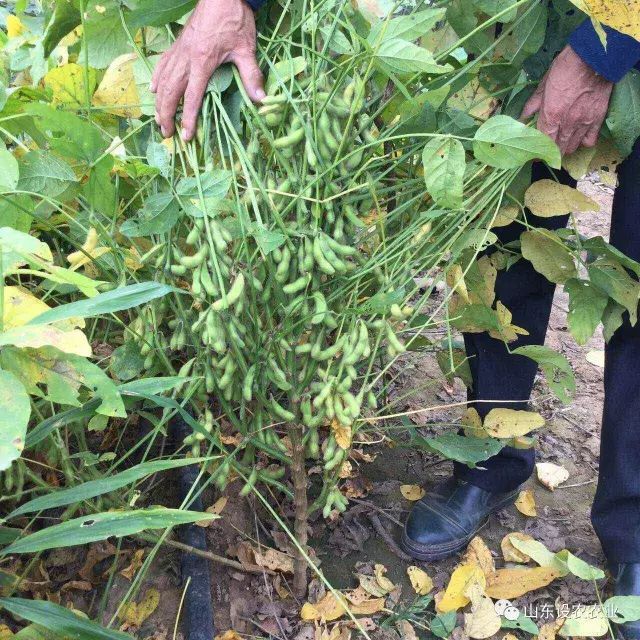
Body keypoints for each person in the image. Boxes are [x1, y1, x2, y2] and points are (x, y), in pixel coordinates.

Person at [150, 1, 640, 636]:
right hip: (529, 15)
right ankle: (491, 458)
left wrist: (601, 50)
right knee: (504, 229)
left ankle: (635, 527)